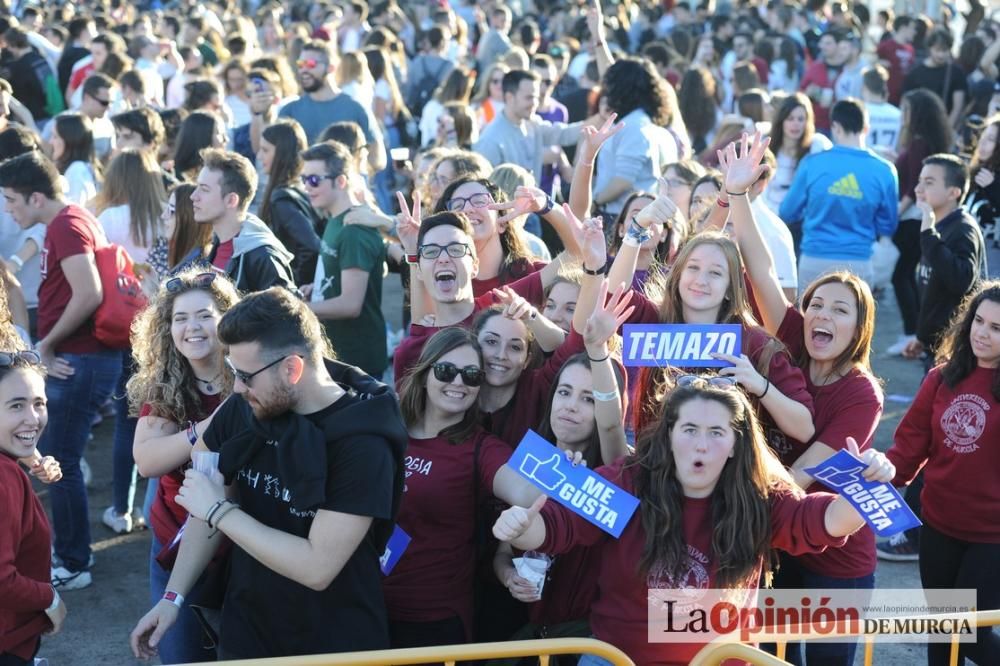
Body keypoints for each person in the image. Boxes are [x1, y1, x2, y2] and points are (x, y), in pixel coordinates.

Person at [493, 377, 896, 665]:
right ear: (668, 435)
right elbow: (560, 524)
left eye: (716, 432)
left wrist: (866, 487)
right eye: (689, 429)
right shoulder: (629, 480)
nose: (701, 444)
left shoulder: (760, 493)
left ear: (737, 443)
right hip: (618, 659)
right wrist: (521, 528)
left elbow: (821, 521)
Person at [129, 288, 407, 660]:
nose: (236, 387)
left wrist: (220, 511)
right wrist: (172, 597)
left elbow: (316, 567)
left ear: (292, 369)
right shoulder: (244, 406)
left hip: (333, 642)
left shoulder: (363, 442)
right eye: (232, 371)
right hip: (246, 630)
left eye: (244, 375)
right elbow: (205, 504)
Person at [724, 132, 886, 666]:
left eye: (841, 310)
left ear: (860, 328)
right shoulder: (789, 336)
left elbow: (804, 474)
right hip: (776, 540)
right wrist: (741, 196)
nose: (823, 316)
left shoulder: (862, 393)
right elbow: (762, 268)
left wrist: (725, 503)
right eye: (817, 304)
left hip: (835, 556)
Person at [0, 152, 123, 590]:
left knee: (63, 463)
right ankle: (71, 553)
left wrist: (47, 343)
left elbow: (88, 293)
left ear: (36, 197)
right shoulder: (72, 220)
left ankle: (73, 561)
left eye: (13, 201)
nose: (10, 210)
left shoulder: (66, 225)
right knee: (63, 460)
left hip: (79, 359)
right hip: (85, 358)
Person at [386, 326, 544, 646]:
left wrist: (567, 467)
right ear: (426, 372)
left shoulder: (481, 448)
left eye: (471, 375)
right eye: (446, 371)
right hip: (369, 607)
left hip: (434, 621)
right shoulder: (388, 430)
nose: (458, 382)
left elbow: (529, 492)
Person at [128, 268, 239, 664]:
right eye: (180, 318)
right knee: (181, 655)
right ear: (167, 329)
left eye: (204, 315)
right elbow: (147, 461)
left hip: (244, 547)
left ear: (227, 319)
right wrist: (207, 428)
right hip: (174, 540)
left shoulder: (253, 375)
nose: (192, 327)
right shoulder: (167, 383)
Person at [887, 282, 1000, 666]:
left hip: (992, 538)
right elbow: (908, 447)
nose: (982, 333)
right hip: (937, 525)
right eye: (979, 321)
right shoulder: (940, 377)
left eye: (997, 328)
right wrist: (873, 477)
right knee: (941, 633)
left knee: (969, 636)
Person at [780, 99, 899, 288]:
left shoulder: (812, 164)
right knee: (858, 317)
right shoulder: (885, 170)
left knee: (809, 317)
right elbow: (888, 225)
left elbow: (787, 212)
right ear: (866, 128)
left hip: (813, 259)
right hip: (860, 262)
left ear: (835, 126)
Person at [0, 350, 69, 665]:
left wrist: (33, 457)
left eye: (39, 403)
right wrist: (50, 598)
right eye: (17, 405)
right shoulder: (4, 478)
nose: (34, 418)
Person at [302, 140, 387, 379]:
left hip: (356, 362)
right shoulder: (336, 219)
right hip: (336, 354)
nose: (307, 187)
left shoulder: (353, 230)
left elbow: (351, 304)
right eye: (304, 179)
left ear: (340, 181)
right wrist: (317, 288)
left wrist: (299, 309)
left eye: (314, 180)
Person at [901, 155, 986, 369]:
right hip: (935, 346)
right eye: (919, 180)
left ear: (953, 192)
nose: (918, 188)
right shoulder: (938, 226)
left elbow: (961, 280)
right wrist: (922, 337)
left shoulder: (963, 229)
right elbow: (933, 291)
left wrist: (929, 234)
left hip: (955, 349)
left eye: (929, 182)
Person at [887, 92, 954, 356]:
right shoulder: (926, 142)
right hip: (921, 216)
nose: (903, 116)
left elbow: (914, 186)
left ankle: (911, 335)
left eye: (906, 110)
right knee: (909, 276)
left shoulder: (918, 143)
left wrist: (894, 214)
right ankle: (915, 335)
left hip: (912, 218)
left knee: (901, 275)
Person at [188, 148, 296, 293]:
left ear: (231, 200)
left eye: (204, 189)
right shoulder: (216, 245)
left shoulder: (263, 257)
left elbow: (284, 312)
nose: (194, 196)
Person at [278, 40, 385, 174]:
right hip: (304, 190)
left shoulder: (355, 108)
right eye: (301, 64)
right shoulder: (289, 111)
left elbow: (379, 159)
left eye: (311, 64)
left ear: (331, 68)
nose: (304, 70)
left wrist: (350, 173)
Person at [591, 58, 678, 217]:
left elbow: (623, 180)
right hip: (630, 213)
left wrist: (594, 202)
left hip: (620, 215)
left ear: (620, 89)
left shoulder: (634, 127)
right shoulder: (640, 123)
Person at [474, 69, 582, 183]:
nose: (535, 103)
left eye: (536, 97)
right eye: (529, 97)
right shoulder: (490, 141)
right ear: (510, 97)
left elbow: (563, 134)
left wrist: (600, 121)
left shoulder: (532, 123)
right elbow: (487, 189)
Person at [257, 120, 322, 287]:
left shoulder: (282, 199)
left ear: (282, 153)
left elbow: (311, 247)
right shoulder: (302, 188)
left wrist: (296, 285)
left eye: (265, 150)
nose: (259, 156)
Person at [763, 92, 832, 214]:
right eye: (790, 118)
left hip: (804, 220)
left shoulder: (818, 145)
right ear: (781, 120)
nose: (796, 124)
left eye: (801, 119)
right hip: (770, 217)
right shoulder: (766, 146)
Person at [902, 28, 968, 130]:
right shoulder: (916, 72)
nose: (941, 55)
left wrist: (946, 132)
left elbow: (957, 107)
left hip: (943, 128)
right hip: (918, 127)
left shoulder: (956, 73)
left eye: (945, 50)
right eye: (937, 50)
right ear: (929, 48)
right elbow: (906, 102)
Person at [49, 112, 99, 206]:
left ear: (70, 141)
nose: (50, 141)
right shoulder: (77, 168)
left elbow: (73, 211)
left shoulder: (77, 171)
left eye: (55, 136)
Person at [163, 183, 212, 271]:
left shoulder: (196, 269)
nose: (163, 216)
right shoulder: (187, 257)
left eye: (172, 210)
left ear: (189, 217)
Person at [861, 65, 903, 160]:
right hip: (890, 162)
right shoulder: (898, 114)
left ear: (864, 87)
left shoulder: (860, 111)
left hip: (866, 161)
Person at [877, 15, 917, 105]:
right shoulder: (885, 46)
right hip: (887, 97)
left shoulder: (911, 49)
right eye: (912, 28)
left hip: (904, 97)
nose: (914, 32)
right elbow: (872, 62)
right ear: (903, 27)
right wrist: (878, 63)